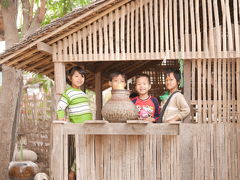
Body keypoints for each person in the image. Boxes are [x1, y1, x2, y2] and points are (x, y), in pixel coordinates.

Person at [56, 66, 93, 180]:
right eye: (76, 76)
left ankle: (76, 174)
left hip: (87, 127)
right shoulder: (68, 92)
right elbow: (60, 107)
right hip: (77, 128)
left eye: (82, 76)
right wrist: (61, 118)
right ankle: (72, 173)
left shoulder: (83, 94)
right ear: (69, 78)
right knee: (80, 151)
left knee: (84, 151)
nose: (80, 79)